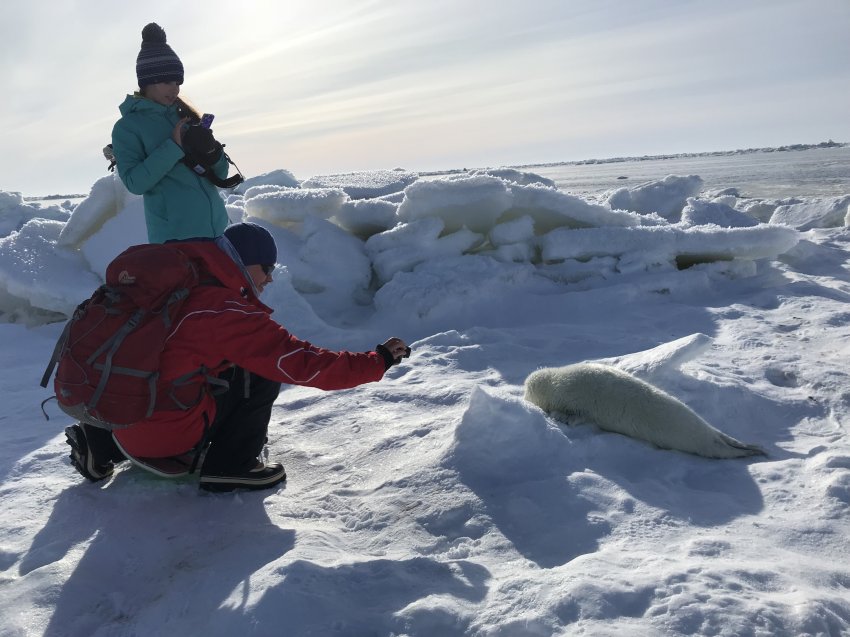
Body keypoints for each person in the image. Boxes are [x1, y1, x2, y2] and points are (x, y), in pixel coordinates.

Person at [64, 222, 410, 492]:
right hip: (166, 440)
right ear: (244, 263)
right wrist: (377, 360)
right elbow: (303, 363)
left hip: (111, 415)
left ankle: (99, 445)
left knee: (156, 364)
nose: (271, 278)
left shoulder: (162, 290)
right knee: (258, 372)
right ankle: (233, 467)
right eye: (267, 267)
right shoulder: (222, 310)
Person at [111, 23, 234, 243]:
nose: (175, 88)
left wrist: (212, 150)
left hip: (217, 233)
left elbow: (220, 175)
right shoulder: (127, 127)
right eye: (168, 81)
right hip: (175, 241)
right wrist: (172, 147)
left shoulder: (186, 117)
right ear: (148, 81)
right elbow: (134, 183)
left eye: (178, 82)